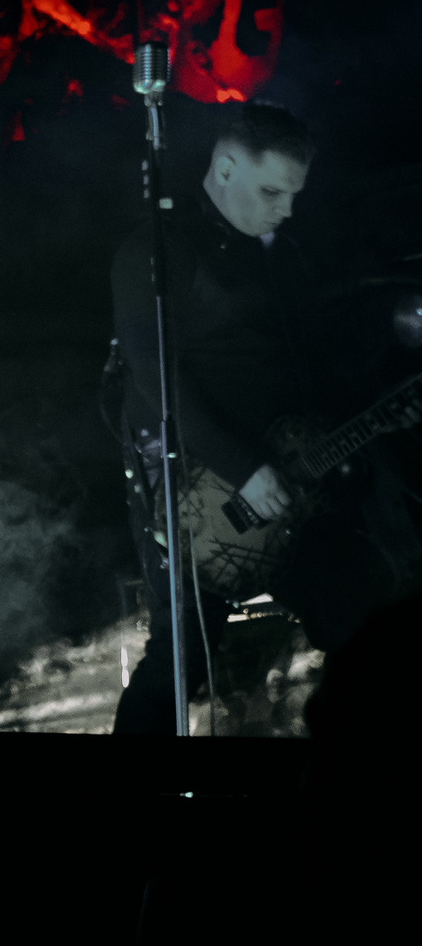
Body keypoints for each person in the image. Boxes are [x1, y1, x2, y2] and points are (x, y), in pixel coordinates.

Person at [108, 102, 395, 734]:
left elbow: (309, 368)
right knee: (181, 656)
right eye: (271, 192)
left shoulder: (281, 256)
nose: (285, 209)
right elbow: (155, 377)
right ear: (225, 168)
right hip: (196, 486)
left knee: (365, 624)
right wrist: (241, 466)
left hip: (291, 478)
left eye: (295, 195)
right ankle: (123, 788)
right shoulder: (157, 251)